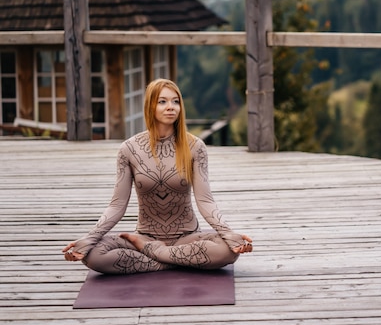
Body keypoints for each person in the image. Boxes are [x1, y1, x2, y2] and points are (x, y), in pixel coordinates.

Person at [62, 78, 252, 274]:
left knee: (228, 252)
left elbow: (205, 199)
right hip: (145, 236)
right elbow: (117, 205)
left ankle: (154, 254)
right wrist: (90, 238)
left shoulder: (195, 147)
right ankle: (175, 259)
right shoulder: (129, 149)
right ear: (150, 105)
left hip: (187, 236)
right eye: (162, 101)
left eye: (175, 101)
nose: (171, 107)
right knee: (93, 255)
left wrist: (228, 233)